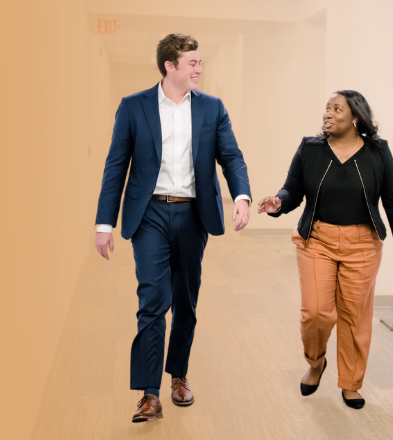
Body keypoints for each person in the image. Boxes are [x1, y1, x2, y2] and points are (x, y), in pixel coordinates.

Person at [94, 33, 252, 422]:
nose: (200, 69)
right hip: (148, 214)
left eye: (199, 62)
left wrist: (242, 196)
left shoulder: (212, 108)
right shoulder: (134, 107)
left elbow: (231, 156)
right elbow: (116, 166)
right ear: (171, 66)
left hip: (192, 215)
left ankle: (178, 376)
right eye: (193, 63)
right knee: (151, 301)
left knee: (185, 300)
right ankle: (149, 393)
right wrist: (104, 223)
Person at [257, 90, 393, 409]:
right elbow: (292, 189)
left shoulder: (377, 152)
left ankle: (351, 383)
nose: (328, 113)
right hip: (317, 240)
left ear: (356, 117)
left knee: (354, 316)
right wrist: (278, 202)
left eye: (336, 109)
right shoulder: (310, 148)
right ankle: (316, 362)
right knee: (316, 312)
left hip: (363, 244)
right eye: (326, 108)